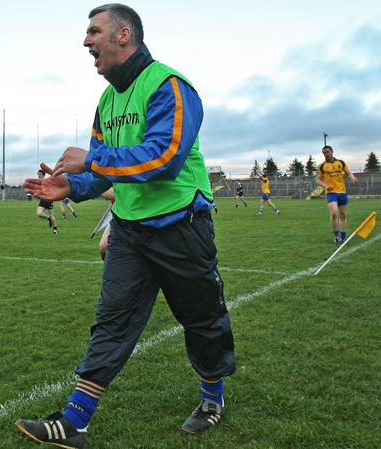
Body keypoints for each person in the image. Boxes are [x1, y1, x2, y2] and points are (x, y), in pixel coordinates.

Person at [16, 5, 235, 447]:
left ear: (123, 35)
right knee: (112, 321)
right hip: (131, 230)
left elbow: (164, 158)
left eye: (93, 31)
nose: (85, 41)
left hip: (181, 225)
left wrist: (91, 159)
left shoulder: (170, 86)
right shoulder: (106, 100)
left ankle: (213, 397)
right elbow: (101, 174)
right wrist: (68, 188)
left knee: (202, 319)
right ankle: (74, 421)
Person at [316, 145, 358, 243]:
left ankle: (343, 236)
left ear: (332, 152)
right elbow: (318, 180)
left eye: (327, 152)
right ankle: (336, 235)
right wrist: (326, 186)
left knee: (343, 215)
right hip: (331, 193)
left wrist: (352, 177)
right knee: (334, 213)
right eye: (324, 153)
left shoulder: (341, 163)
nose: (326, 154)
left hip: (342, 192)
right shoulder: (322, 166)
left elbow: (348, 173)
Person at [35, 169, 58, 235]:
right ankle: (48, 219)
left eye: (40, 174)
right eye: (38, 174)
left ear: (43, 175)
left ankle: (55, 228)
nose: (39, 176)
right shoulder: (38, 182)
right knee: (39, 214)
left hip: (49, 200)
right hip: (43, 200)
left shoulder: (47, 181)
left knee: (51, 215)